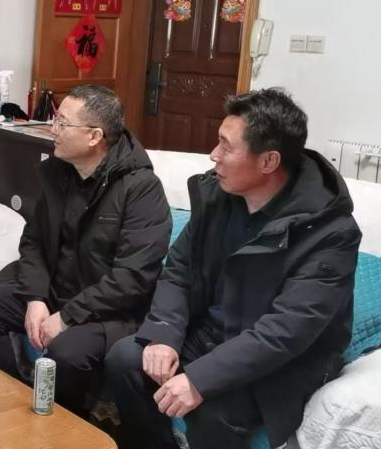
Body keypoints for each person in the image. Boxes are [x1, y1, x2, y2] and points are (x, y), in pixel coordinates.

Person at [104, 88, 361, 449]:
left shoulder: (330, 233)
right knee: (126, 359)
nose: (214, 155)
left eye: (226, 146)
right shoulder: (219, 197)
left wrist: (199, 379)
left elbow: (286, 331)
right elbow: (179, 269)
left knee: (213, 411)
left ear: (268, 161)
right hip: (210, 336)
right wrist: (163, 334)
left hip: (276, 362)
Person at [0, 84, 172, 413]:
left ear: (94, 136)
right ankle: (13, 401)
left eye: (62, 123)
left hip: (108, 312)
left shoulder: (141, 189)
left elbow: (131, 279)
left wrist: (67, 318)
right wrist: (35, 298)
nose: (52, 129)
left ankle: (66, 425)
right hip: (57, 292)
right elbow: (33, 242)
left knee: (66, 353)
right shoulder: (60, 172)